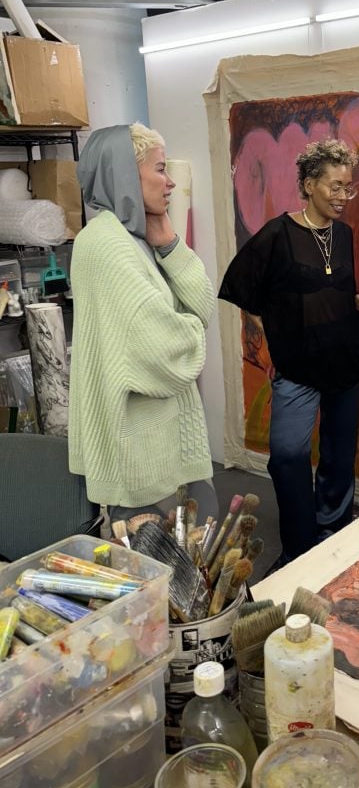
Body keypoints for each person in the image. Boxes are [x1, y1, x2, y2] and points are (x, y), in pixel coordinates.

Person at [218, 138, 359, 565]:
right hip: (298, 369)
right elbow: (243, 290)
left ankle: (332, 530)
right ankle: (300, 545)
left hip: (346, 361)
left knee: (340, 456)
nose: (343, 197)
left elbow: (335, 287)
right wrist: (275, 333)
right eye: (335, 186)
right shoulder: (277, 234)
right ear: (308, 185)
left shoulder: (344, 235)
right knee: (287, 455)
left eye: (348, 187)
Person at [69, 123, 216, 520]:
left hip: (161, 442)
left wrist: (168, 241)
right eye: (160, 169)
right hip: (138, 453)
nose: (170, 183)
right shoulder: (106, 245)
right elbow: (168, 352)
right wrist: (191, 328)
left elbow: (202, 305)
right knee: (161, 570)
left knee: (195, 558)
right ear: (123, 174)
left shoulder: (138, 237)